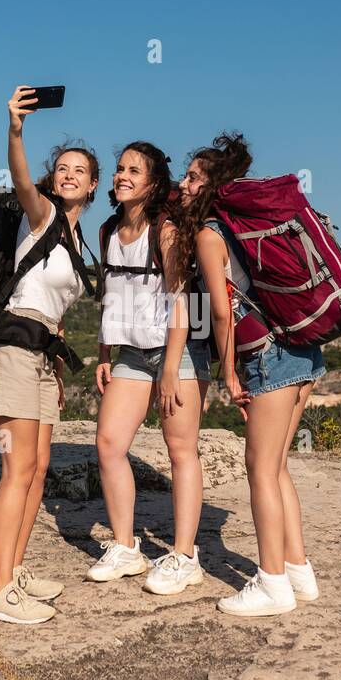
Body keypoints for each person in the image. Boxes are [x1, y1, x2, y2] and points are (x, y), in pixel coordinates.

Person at [174, 133, 323, 616]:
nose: (184, 182)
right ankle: (299, 573)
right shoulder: (247, 227)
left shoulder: (210, 234)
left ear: (213, 186)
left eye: (193, 176)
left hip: (267, 355)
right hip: (304, 350)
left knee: (259, 469)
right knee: (278, 466)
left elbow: (220, 313)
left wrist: (229, 372)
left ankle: (272, 583)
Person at [0, 85, 98, 624]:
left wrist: (57, 370)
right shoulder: (42, 214)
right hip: (9, 346)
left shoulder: (78, 244)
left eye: (81, 170)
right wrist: (15, 129)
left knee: (40, 466)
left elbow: (60, 310)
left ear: (94, 186)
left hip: (41, 354)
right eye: (64, 167)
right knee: (18, 467)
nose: (70, 174)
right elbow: (22, 176)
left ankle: (15, 567)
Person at [87, 142, 214, 595]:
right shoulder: (107, 230)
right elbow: (112, 297)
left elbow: (182, 301)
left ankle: (184, 556)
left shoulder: (166, 231)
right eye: (120, 169)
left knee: (181, 449)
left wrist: (171, 367)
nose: (122, 176)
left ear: (153, 182)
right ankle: (127, 548)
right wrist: (104, 353)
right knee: (109, 443)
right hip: (132, 354)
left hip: (176, 351)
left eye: (133, 171)